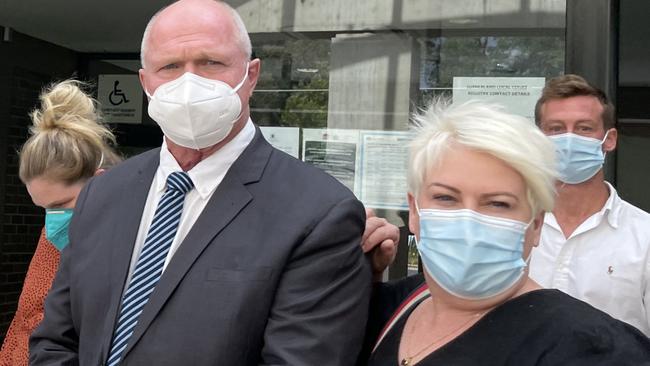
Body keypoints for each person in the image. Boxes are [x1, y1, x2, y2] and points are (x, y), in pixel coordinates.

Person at [30, 1, 373, 364]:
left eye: (211, 63)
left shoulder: (317, 213)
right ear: (146, 82)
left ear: (251, 75)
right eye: (170, 66)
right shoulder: (103, 194)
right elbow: (54, 342)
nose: (189, 82)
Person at [364, 100, 650, 365]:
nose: (469, 222)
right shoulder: (391, 305)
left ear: (536, 225)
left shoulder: (590, 348)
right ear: (414, 211)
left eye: (498, 203)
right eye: (446, 198)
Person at [0, 79, 121, 365]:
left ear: (99, 181)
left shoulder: (132, 243)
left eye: (60, 205)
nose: (52, 220)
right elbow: (29, 318)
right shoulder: (58, 232)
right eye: (43, 209)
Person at [529, 74, 650, 336]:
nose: (569, 140)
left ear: (609, 139)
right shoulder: (514, 226)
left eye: (584, 128)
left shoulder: (645, 236)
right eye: (556, 129)